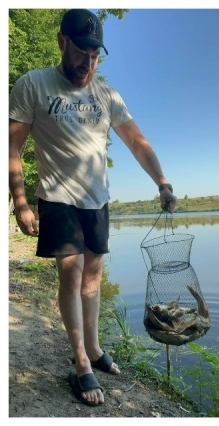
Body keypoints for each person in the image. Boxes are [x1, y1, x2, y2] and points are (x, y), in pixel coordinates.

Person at [8, 9, 178, 406]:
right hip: (57, 197)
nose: (88, 62)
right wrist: (20, 202)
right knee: (71, 274)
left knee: (93, 278)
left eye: (95, 54)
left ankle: (96, 347)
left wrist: (163, 182)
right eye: (82, 51)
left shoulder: (106, 96)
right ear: (62, 41)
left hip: (97, 200)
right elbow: (12, 146)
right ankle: (81, 362)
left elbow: (137, 142)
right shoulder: (34, 84)